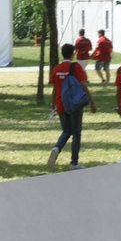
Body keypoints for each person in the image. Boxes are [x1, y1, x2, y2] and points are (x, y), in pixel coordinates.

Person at [47, 42, 98, 170]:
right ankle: (74, 163)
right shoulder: (77, 68)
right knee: (76, 133)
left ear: (62, 54)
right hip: (74, 104)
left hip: (61, 104)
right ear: (74, 53)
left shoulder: (56, 69)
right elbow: (83, 85)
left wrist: (53, 105)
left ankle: (56, 148)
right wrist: (91, 101)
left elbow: (54, 89)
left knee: (66, 131)